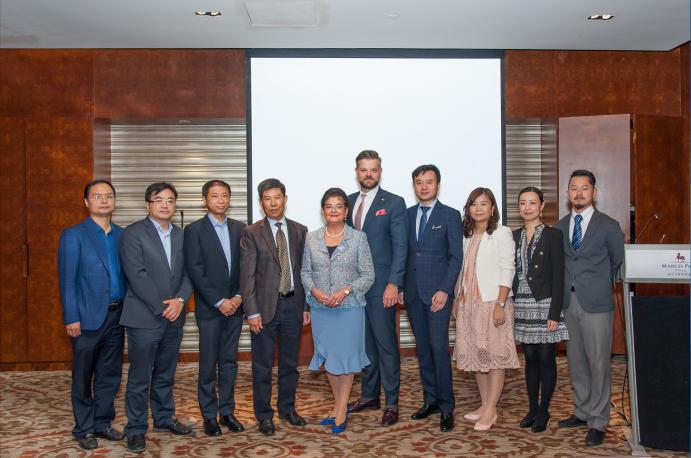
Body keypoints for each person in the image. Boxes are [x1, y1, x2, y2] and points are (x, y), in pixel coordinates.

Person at [119, 182, 193, 454]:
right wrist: (163, 306)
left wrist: (180, 300)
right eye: (159, 200)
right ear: (148, 204)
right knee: (140, 376)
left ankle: (163, 418)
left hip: (175, 315)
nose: (165, 205)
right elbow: (136, 275)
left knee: (166, 372)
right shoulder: (132, 233)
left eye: (170, 200)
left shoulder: (182, 235)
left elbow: (189, 273)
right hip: (144, 317)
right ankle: (136, 428)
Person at [555, 170, 624, 447]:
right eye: (574, 188)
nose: (579, 193)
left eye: (584, 188)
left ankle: (598, 420)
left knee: (598, 363)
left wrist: (598, 284)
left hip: (596, 304)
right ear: (567, 193)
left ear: (594, 192)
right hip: (568, 303)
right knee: (576, 361)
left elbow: (617, 261)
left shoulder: (608, 225)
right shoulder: (560, 226)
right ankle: (582, 411)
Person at [57, 180, 127, 451]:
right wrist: (71, 317)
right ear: (87, 202)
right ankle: (84, 428)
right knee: (83, 376)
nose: (104, 200)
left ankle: (102, 422)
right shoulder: (74, 235)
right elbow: (67, 281)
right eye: (97, 196)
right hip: (85, 318)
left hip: (117, 315)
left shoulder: (122, 235)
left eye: (109, 196)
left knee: (110, 374)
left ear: (115, 201)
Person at [240, 178, 310, 436]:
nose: (273, 203)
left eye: (277, 197)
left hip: (293, 305)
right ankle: (264, 415)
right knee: (262, 365)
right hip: (264, 308)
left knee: (290, 364)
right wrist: (252, 311)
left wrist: (306, 306)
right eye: (267, 199)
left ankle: (287, 409)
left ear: (285, 199)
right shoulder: (251, 232)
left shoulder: (300, 230)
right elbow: (247, 276)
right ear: (261, 203)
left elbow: (304, 271)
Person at [301, 188, 375, 434]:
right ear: (323, 210)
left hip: (349, 309)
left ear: (346, 211)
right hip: (321, 309)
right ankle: (338, 404)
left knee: (346, 359)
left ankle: (341, 409)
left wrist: (345, 290)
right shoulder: (311, 238)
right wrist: (314, 291)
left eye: (338, 206)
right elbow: (305, 272)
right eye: (329, 206)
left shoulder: (358, 238)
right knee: (329, 359)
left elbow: (368, 275)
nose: (333, 210)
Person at [346, 150, 407, 426]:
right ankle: (369, 395)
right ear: (357, 172)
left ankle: (392, 402)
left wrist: (394, 283)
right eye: (363, 170)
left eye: (373, 170)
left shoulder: (394, 202)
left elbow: (401, 246)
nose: (368, 174)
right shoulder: (347, 202)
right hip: (353, 288)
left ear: (380, 172)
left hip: (382, 286)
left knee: (386, 346)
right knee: (365, 344)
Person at [402, 165, 462, 432]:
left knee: (439, 349)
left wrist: (445, 290)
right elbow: (403, 253)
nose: (424, 186)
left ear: (438, 184)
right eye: (419, 182)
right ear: (414, 185)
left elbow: (455, 257)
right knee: (423, 350)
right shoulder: (406, 215)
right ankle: (431, 400)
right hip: (413, 294)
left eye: (429, 181)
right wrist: (400, 285)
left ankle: (447, 406)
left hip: (438, 294)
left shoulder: (450, 215)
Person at [454, 187, 519, 431]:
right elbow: (462, 271)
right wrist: (456, 299)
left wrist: (501, 304)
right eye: (474, 204)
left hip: (492, 303)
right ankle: (484, 405)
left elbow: (508, 269)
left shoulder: (501, 233)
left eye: (484, 203)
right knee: (477, 357)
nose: (478, 208)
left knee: (495, 358)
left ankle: (491, 409)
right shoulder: (466, 235)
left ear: (492, 208)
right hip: (469, 304)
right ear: (468, 208)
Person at [183, 180, 246, 437]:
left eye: (225, 196)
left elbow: (247, 267)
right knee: (208, 364)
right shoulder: (194, 230)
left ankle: (227, 412)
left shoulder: (241, 228)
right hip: (211, 309)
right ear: (204, 200)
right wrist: (220, 301)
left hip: (236, 307)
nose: (220, 200)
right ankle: (209, 415)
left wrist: (239, 297)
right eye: (215, 196)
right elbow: (195, 270)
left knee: (229, 363)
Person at [511, 186, 569, 433]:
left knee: (546, 357)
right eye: (523, 203)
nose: (527, 207)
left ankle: (544, 409)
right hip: (522, 303)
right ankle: (532, 408)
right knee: (530, 358)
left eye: (532, 203)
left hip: (545, 303)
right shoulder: (513, 236)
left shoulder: (553, 235)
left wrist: (555, 313)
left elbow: (559, 276)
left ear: (542, 206)